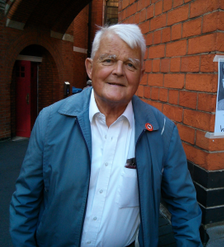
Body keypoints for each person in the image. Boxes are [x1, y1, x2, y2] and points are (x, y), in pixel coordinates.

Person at [9, 24, 202, 247]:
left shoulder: (163, 131)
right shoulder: (50, 121)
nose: (118, 71)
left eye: (130, 64)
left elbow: (185, 206)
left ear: (141, 74)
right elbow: (25, 200)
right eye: (108, 60)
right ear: (90, 68)